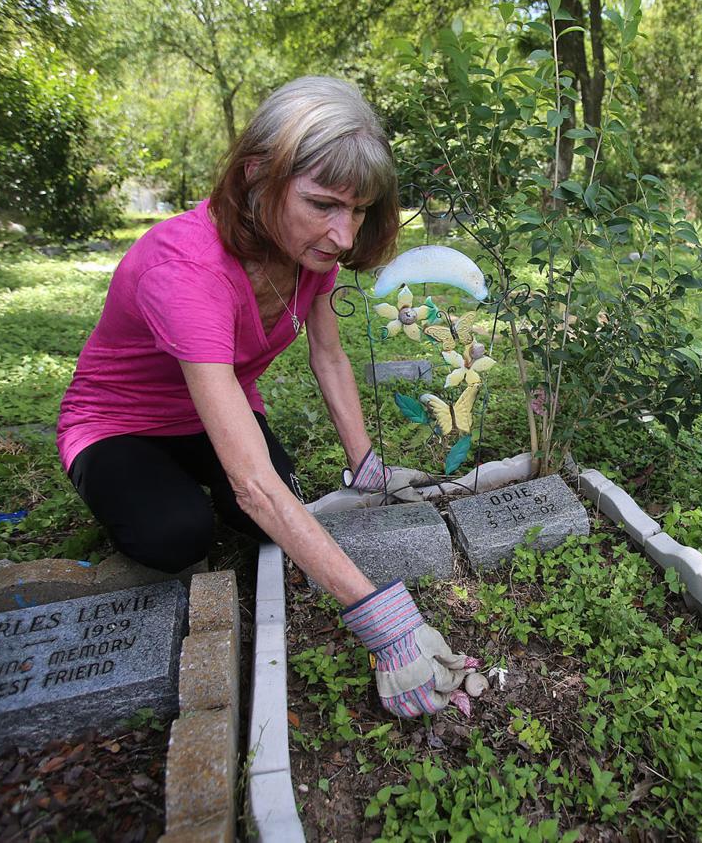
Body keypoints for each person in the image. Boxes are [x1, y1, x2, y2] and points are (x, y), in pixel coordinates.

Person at [56, 76, 474, 718]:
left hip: (214, 411)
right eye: (324, 203)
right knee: (177, 533)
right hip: (119, 423)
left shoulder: (310, 256)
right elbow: (252, 483)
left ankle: (190, 481)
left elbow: (328, 357)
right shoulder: (187, 271)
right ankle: (138, 489)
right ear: (257, 174)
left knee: (273, 514)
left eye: (358, 210)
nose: (343, 236)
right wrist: (382, 619)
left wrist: (367, 468)